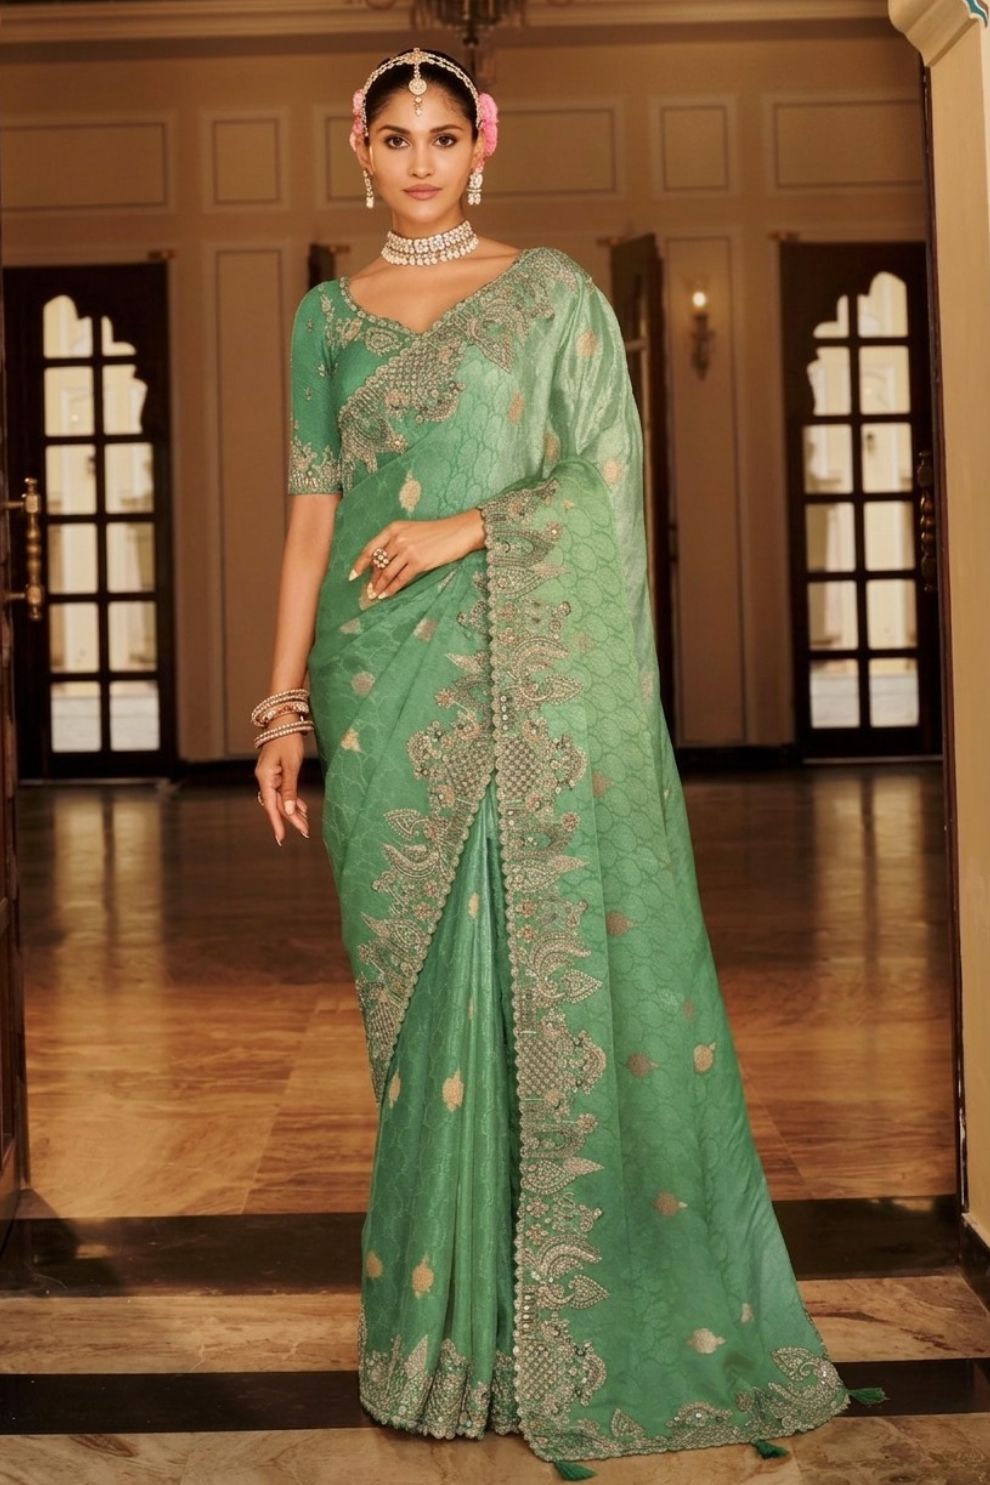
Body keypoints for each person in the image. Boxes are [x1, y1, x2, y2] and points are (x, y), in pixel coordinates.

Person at [253, 44, 886, 1479]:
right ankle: (440, 1341)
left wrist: (469, 528)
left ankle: (540, 1334)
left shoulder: (552, 298)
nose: (420, 161)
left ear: (486, 145)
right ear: (357, 147)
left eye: (443, 136)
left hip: (517, 684)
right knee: (420, 1021)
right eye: (396, 137)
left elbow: (603, 482)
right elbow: (309, 515)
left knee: (524, 989)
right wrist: (281, 706)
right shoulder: (324, 320)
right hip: (380, 687)